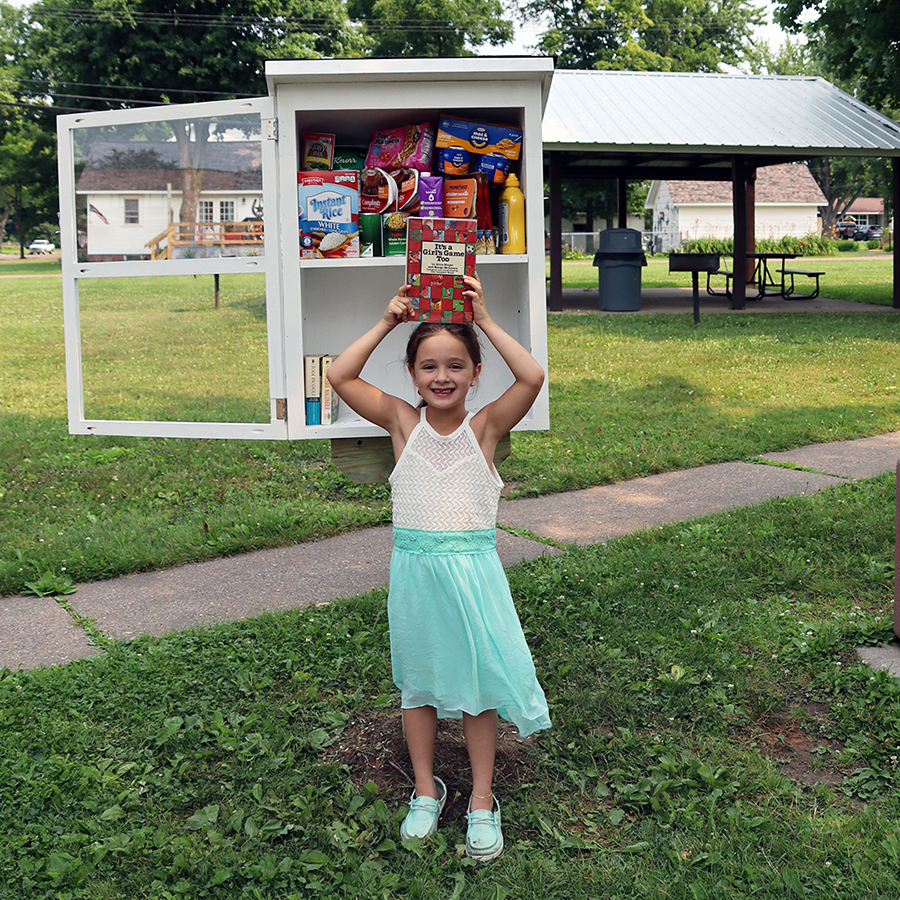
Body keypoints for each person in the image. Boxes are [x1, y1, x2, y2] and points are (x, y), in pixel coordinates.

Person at [327, 273, 551, 862]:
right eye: (429, 366)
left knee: (478, 691)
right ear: (413, 375)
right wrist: (387, 321)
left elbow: (531, 376)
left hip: (473, 577)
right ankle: (426, 790)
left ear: (475, 374)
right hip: (417, 578)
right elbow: (340, 376)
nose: (443, 377)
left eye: (456, 365)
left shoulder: (485, 428)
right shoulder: (404, 423)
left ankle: (481, 798)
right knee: (419, 687)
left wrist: (485, 321)